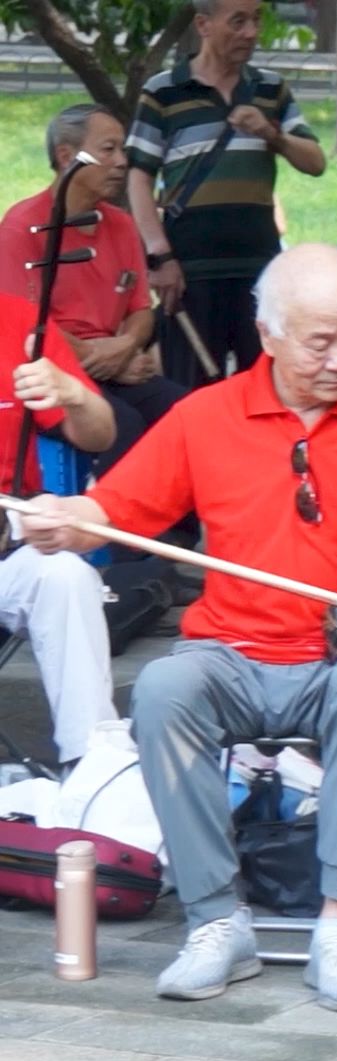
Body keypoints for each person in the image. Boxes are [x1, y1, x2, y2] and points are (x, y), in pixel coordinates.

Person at [16, 244, 337, 1012]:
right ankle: (218, 920)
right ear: (269, 334)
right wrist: (61, 519)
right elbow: (112, 511)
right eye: (321, 341)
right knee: (163, 689)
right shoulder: (209, 414)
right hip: (232, 654)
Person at [126, 0, 325, 391]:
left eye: (256, 20)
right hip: (190, 272)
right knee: (190, 391)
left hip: (260, 269)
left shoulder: (270, 88)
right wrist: (159, 255)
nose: (251, 32)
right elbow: (138, 180)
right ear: (203, 24)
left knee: (267, 386)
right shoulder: (163, 92)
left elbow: (315, 161)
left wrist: (273, 135)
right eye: (238, 21)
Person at [0, 104, 187, 478]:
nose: (122, 162)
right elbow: (24, 327)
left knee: (186, 412)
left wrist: (125, 348)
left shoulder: (120, 225)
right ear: (66, 156)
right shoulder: (22, 228)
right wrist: (107, 360)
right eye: (108, 149)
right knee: (124, 426)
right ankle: (113, 533)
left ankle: (174, 535)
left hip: (115, 364)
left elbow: (139, 310)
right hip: (53, 373)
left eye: (123, 150)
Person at [1, 292, 117, 768]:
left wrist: (74, 394)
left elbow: (101, 434)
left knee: (65, 577)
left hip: (10, 541)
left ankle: (95, 770)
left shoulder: (17, 318)